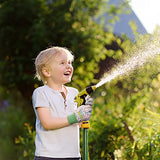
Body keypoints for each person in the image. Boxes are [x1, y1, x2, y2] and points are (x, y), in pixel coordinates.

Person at [32, 46, 93, 160]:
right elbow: (47, 123)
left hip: (73, 156)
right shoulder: (41, 93)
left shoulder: (74, 92)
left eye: (69, 63)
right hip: (48, 156)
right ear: (46, 71)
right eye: (62, 63)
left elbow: (77, 124)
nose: (69, 66)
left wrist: (84, 113)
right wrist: (75, 117)